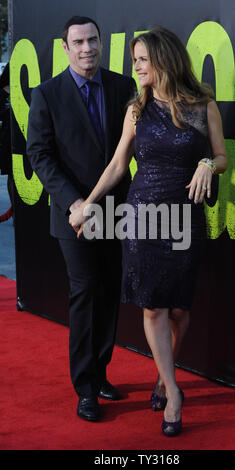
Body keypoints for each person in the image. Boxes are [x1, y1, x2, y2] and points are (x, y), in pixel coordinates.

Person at [69, 27, 228, 436]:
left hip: (184, 221)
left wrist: (208, 164)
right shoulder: (136, 109)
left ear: (163, 61)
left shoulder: (202, 105)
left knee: (179, 310)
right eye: (135, 59)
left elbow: (222, 155)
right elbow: (119, 164)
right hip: (142, 218)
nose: (135, 66)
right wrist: (89, 203)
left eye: (141, 59)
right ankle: (172, 391)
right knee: (153, 307)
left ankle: (164, 372)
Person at [27, 16, 136, 422]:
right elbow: (40, 154)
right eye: (79, 42)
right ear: (65, 48)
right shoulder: (47, 94)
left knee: (109, 291)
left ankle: (100, 371)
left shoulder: (122, 86)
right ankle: (86, 389)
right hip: (73, 216)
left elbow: (127, 150)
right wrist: (74, 201)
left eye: (93, 40)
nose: (87, 47)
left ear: (101, 43)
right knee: (86, 292)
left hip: (114, 209)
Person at [0, 63, 13, 214]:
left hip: (24, 137)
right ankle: (14, 209)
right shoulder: (1, 93)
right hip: (7, 140)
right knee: (11, 175)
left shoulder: (24, 88)